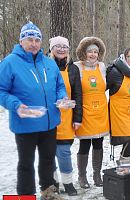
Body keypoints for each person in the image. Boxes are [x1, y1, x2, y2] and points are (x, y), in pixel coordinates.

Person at [0, 21, 66, 199]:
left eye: (37, 40)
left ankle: (49, 190)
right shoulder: (9, 63)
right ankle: (26, 195)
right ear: (21, 41)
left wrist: (62, 98)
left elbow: (60, 85)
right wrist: (16, 105)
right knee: (26, 163)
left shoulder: (49, 63)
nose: (34, 43)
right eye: (29, 39)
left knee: (48, 160)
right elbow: (1, 90)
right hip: (25, 124)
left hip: (49, 122)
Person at [74, 36, 109, 188]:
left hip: (100, 111)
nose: (93, 54)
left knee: (98, 144)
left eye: (96, 51)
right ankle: (82, 176)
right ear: (84, 52)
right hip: (85, 112)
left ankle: (97, 175)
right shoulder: (77, 67)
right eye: (90, 52)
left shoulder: (102, 67)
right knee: (84, 144)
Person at [49, 36, 82, 196]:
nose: (61, 49)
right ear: (51, 49)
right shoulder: (44, 65)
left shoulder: (73, 68)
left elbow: (78, 94)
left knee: (64, 153)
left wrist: (78, 118)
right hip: (47, 118)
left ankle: (68, 182)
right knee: (47, 154)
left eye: (64, 47)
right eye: (58, 46)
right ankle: (53, 183)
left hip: (67, 118)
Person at [107, 47, 130, 161]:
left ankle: (124, 160)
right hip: (120, 113)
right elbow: (101, 88)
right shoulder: (115, 72)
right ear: (124, 57)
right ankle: (124, 160)